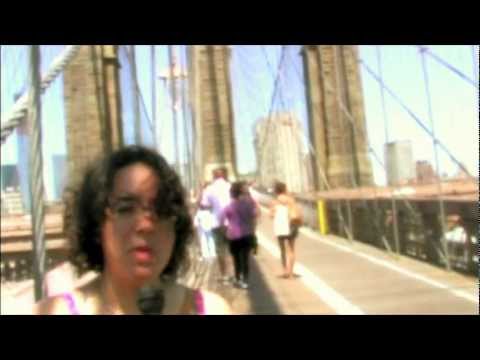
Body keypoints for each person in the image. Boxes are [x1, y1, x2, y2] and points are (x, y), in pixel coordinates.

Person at [34, 145, 231, 315]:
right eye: (125, 209)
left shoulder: (213, 309)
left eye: (162, 210)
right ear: (96, 224)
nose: (146, 225)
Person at [220, 181, 257, 289]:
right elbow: (254, 216)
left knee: (236, 259)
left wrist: (225, 232)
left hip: (233, 236)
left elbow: (222, 222)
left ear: (231, 194)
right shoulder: (249, 204)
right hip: (247, 234)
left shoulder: (228, 207)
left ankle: (238, 278)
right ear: (241, 193)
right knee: (245, 258)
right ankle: (245, 280)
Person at [200, 167, 232, 284]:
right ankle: (237, 274)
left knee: (220, 249)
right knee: (232, 249)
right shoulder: (231, 187)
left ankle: (225, 275)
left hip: (217, 222)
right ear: (224, 175)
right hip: (232, 222)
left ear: (214, 176)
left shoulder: (209, 189)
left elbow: (204, 205)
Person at [270, 181, 303, 279]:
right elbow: (296, 212)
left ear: (276, 191)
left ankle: (285, 271)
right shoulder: (290, 200)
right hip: (290, 226)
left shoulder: (274, 202)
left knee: (282, 250)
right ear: (285, 189)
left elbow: (271, 215)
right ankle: (291, 273)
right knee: (291, 250)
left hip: (280, 227)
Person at [193, 183, 216, 261]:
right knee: (210, 236)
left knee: (203, 236)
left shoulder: (203, 194)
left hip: (202, 214)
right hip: (209, 214)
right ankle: (212, 253)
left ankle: (206, 254)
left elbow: (198, 203)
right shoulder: (212, 193)